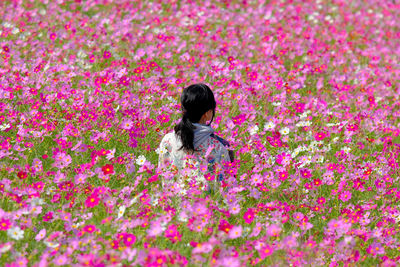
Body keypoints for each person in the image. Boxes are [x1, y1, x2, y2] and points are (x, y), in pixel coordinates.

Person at [157, 83, 233, 194]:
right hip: (207, 209)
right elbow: (227, 190)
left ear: (183, 110)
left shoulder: (167, 141)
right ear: (208, 113)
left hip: (173, 209)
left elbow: (164, 178)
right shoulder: (219, 147)